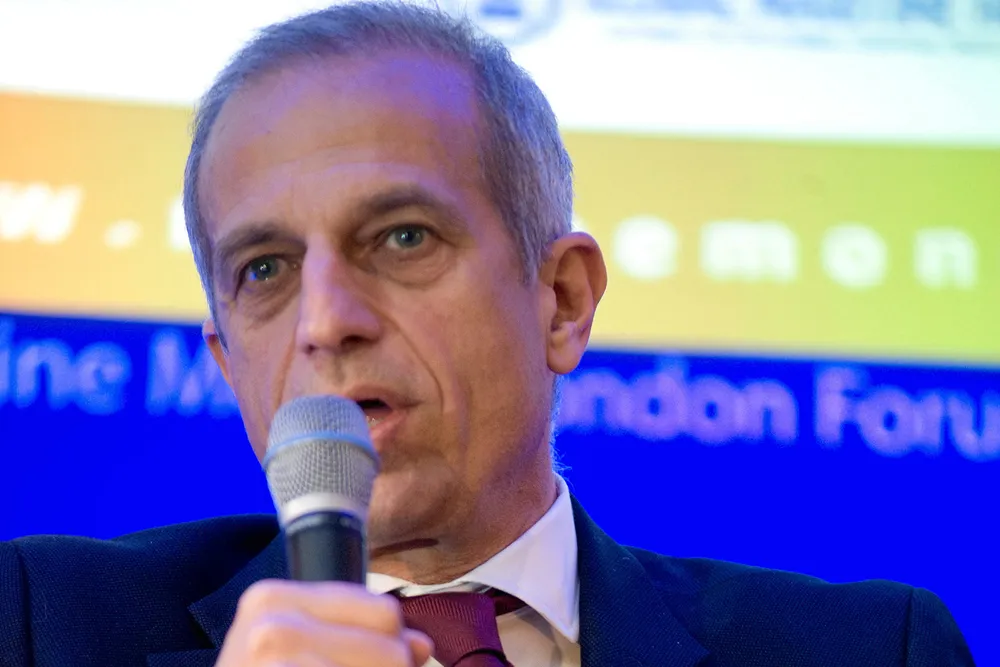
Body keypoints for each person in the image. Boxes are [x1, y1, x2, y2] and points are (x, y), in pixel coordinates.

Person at [0, 2, 975, 666]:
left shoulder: (867, 647)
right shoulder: (42, 622)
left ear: (562, 300)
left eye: (402, 237)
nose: (326, 321)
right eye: (265, 269)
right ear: (227, 364)